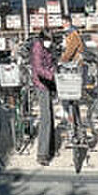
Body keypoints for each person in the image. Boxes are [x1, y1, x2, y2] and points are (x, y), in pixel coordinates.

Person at [30, 31, 56, 166]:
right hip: (41, 84)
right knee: (45, 118)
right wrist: (51, 76)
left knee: (50, 116)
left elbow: (50, 63)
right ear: (42, 39)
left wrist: (54, 70)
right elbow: (39, 68)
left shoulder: (46, 48)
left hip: (47, 84)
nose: (50, 42)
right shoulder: (37, 48)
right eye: (48, 40)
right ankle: (42, 154)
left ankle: (50, 148)